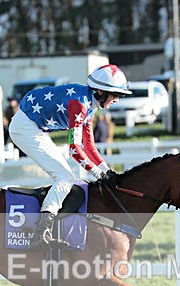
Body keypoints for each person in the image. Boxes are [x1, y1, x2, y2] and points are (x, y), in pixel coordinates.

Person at [8, 64, 131, 248]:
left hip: (35, 127)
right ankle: (41, 233)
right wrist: (98, 173)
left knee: (65, 177)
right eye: (116, 95)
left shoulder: (90, 104)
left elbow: (89, 145)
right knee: (65, 178)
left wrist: (106, 170)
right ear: (100, 91)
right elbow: (74, 149)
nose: (117, 100)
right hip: (25, 128)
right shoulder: (80, 105)